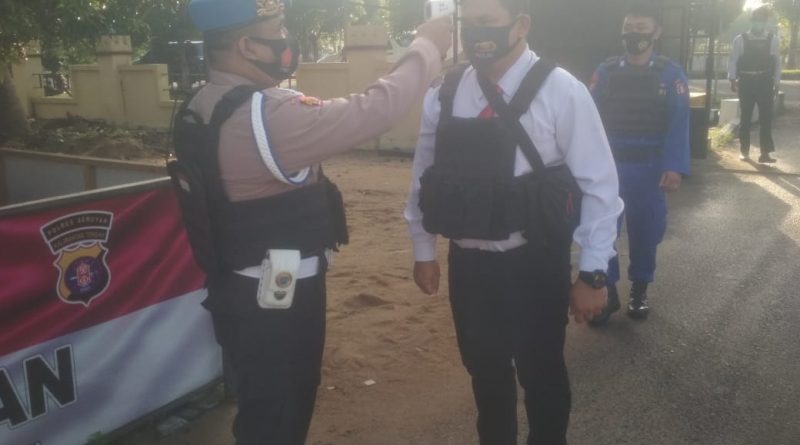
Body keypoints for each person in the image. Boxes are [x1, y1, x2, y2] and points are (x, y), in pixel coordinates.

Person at [170, 1, 452, 443]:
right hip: (279, 301)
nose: (286, 40)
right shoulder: (265, 116)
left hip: (237, 287)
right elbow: (374, 110)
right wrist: (426, 47)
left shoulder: (202, 104)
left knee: (261, 407)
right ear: (248, 46)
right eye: (278, 29)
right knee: (281, 416)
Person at [404, 0, 623, 443]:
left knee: (542, 374)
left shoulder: (562, 90)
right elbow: (425, 175)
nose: (477, 33)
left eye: (488, 22)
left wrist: (593, 273)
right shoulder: (446, 92)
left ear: (521, 25)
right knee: (485, 374)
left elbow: (600, 186)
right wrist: (423, 249)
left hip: (534, 262)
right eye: (469, 23)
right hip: (469, 265)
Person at [588, 2, 690, 325]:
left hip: (649, 169)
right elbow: (588, 118)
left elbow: (679, 122)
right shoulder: (605, 72)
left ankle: (640, 289)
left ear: (656, 32)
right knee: (603, 231)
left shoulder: (670, 73)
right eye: (629, 29)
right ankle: (607, 292)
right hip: (610, 168)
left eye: (642, 29)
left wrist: (674, 166)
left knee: (646, 232)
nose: (634, 35)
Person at [728, 5, 781, 163]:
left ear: (765, 22)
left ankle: (765, 153)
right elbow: (734, 60)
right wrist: (732, 79)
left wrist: (776, 82)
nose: (759, 23)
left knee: (766, 118)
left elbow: (777, 62)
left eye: (762, 21)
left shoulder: (772, 39)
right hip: (746, 81)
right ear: (752, 21)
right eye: (756, 20)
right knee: (746, 117)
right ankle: (744, 151)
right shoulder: (740, 39)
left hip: (765, 81)